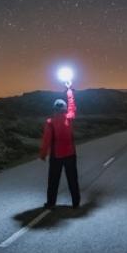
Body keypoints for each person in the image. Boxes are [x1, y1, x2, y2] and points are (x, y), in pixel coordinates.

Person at [38, 77, 79, 208]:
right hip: (71, 155)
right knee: (72, 179)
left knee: (53, 181)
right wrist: (69, 90)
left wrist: (43, 154)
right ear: (64, 109)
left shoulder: (50, 122)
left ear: (54, 109)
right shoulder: (69, 117)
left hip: (56, 156)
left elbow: (46, 140)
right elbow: (72, 106)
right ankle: (76, 203)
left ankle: (51, 203)